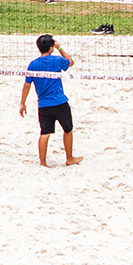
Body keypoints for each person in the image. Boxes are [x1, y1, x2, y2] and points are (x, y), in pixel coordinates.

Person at [19, 35, 81, 167]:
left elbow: (26, 85)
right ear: (51, 47)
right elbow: (70, 62)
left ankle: (43, 162)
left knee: (45, 133)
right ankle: (69, 158)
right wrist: (60, 48)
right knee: (68, 130)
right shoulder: (57, 60)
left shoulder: (33, 64)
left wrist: (22, 103)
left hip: (43, 105)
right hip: (59, 102)